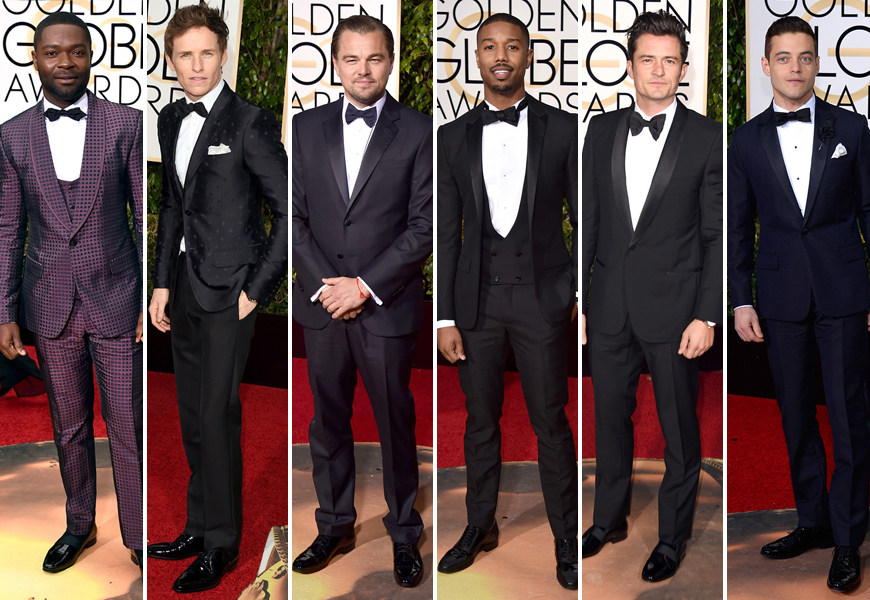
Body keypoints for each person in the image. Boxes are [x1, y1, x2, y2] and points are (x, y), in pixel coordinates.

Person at [146, 1, 288, 593]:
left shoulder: (251, 121)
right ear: (172, 60)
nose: (197, 65)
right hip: (183, 289)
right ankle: (198, 527)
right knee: (190, 416)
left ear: (223, 55)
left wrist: (257, 289)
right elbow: (172, 205)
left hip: (232, 294)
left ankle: (223, 545)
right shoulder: (169, 118)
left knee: (217, 415)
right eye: (186, 55)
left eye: (207, 53)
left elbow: (288, 212)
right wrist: (160, 283)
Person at [436, 13, 578, 590]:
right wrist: (445, 315)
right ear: (476, 56)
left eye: (512, 46)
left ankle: (566, 536)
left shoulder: (563, 129)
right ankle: (480, 525)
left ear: (528, 56)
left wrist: (575, 294)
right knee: (479, 421)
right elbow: (446, 234)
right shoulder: (451, 136)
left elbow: (584, 220)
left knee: (550, 421)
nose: (501, 56)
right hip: (477, 304)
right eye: (490, 47)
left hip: (543, 301)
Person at [728, 16, 870, 594]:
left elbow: (869, 210)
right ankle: (813, 522)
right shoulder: (745, 139)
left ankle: (848, 537)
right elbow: (738, 228)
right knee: (793, 414)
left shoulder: (852, 128)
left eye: (805, 57)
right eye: (783, 57)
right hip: (780, 295)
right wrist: (740, 300)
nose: (795, 67)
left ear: (817, 63)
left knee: (849, 416)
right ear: (766, 65)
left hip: (844, 292)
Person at [290, 14, 432, 589]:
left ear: (390, 62)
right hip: (323, 306)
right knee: (327, 421)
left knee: (395, 422)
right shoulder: (305, 127)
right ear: (335, 63)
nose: (363, 69)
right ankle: (334, 525)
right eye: (351, 58)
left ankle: (404, 532)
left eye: (374, 58)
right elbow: (294, 218)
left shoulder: (419, 130)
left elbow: (423, 227)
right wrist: (329, 287)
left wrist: (363, 286)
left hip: (385, 306)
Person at [581, 10, 722, 583]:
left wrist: (706, 315)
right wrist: (584, 303)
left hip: (676, 311)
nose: (659, 71)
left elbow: (715, 234)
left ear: (684, 69)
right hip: (609, 308)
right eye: (648, 59)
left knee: (679, 429)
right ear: (630, 65)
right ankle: (608, 519)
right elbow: (589, 224)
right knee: (609, 419)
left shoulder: (709, 137)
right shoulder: (600, 131)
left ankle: (671, 538)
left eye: (670, 61)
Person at [0, 11, 143, 573]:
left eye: (76, 51)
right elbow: (8, 228)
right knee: (69, 425)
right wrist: (5, 309)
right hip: (51, 301)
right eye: (53, 52)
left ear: (91, 56)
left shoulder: (126, 124)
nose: (66, 62)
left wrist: (149, 297)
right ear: (35, 58)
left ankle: (137, 535)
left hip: (117, 298)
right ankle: (79, 523)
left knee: (126, 424)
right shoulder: (13, 134)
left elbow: (144, 216)